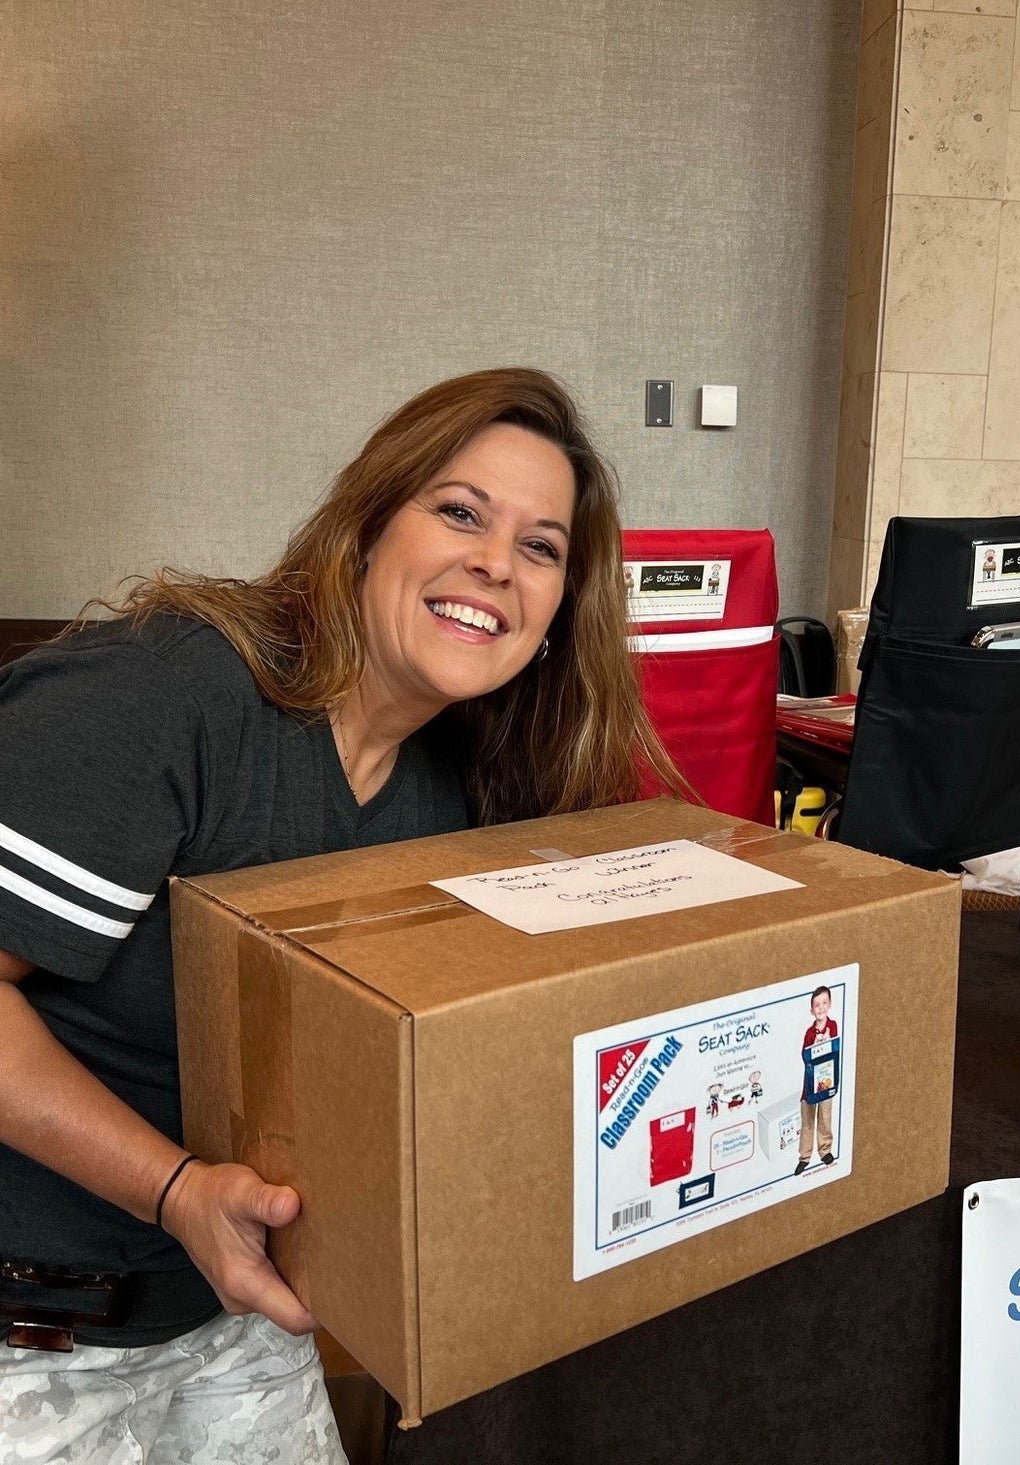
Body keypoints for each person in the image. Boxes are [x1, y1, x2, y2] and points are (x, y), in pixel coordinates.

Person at [0, 368, 678, 1461]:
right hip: (32, 1323)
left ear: (558, 613)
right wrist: (175, 1192)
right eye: (460, 512)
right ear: (364, 527)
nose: (496, 562)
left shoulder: (454, 789)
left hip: (228, 1301)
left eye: (542, 547)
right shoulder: (162, 700)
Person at [794, 985, 839, 1175]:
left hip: (827, 1080)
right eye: (816, 1005)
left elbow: (835, 1047)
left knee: (825, 1117)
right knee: (808, 1120)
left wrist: (827, 1040)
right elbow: (805, 1055)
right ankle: (804, 1157)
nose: (820, 1008)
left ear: (829, 1004)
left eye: (824, 1003)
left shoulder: (833, 1025)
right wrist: (816, 1044)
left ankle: (825, 1150)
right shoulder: (809, 1032)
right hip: (810, 1084)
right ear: (812, 1010)